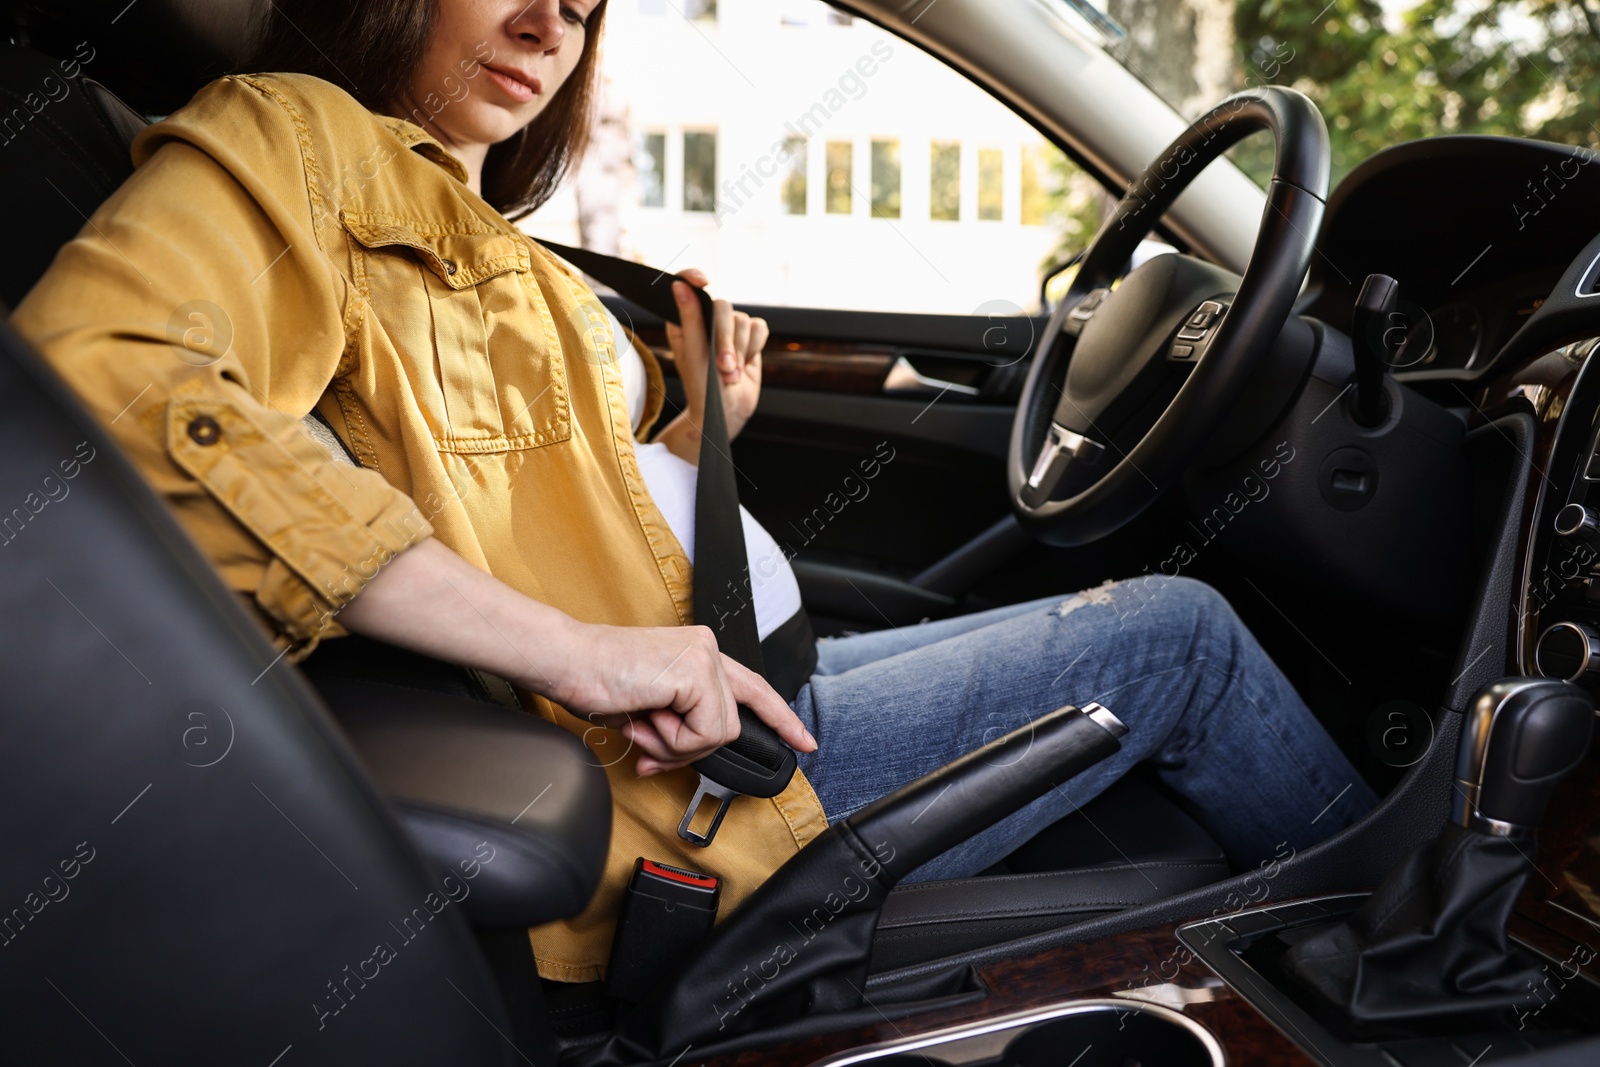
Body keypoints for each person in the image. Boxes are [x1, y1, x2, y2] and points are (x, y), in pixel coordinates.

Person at [9, 0, 1378, 985]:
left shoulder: (505, 247)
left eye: (588, 7)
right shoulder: (298, 138)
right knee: (1183, 638)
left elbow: (554, 512)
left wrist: (698, 438)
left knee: (1137, 614)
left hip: (757, 670)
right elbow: (110, 385)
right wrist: (583, 655)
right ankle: (1433, 951)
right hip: (706, 772)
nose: (555, 25)